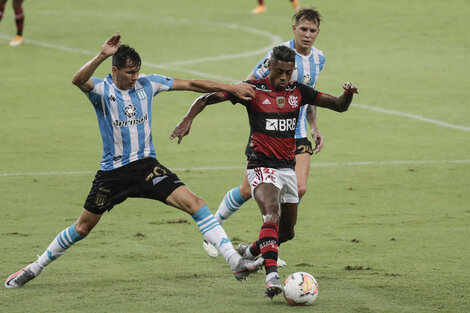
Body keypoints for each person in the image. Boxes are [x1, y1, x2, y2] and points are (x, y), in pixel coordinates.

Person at [4, 32, 264, 289]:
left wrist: (230, 87)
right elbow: (77, 79)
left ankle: (234, 262)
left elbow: (192, 84)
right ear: (115, 70)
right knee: (82, 228)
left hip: (147, 167)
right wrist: (101, 55)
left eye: (137, 72)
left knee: (196, 204)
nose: (135, 77)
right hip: (113, 174)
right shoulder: (101, 90)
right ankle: (34, 268)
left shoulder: (148, 84)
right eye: (129, 73)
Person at [170, 45, 358, 298]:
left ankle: (250, 253)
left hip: (287, 168)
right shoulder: (251, 90)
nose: (283, 77)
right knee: (272, 213)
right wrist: (188, 118)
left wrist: (348, 93)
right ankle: (272, 278)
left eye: (288, 72)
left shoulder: (298, 91)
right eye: (279, 71)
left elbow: (338, 105)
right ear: (269, 66)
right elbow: (206, 98)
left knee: (287, 232)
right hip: (260, 166)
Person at [202, 7, 326, 262]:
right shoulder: (277, 56)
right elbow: (247, 85)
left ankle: (264, 249)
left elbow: (308, 94)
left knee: (298, 189)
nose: (307, 34)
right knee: (248, 191)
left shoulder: (319, 59)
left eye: (312, 31)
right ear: (294, 29)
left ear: (317, 33)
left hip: (298, 133)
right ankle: (212, 228)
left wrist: (314, 127)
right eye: (303, 29)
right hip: (268, 132)